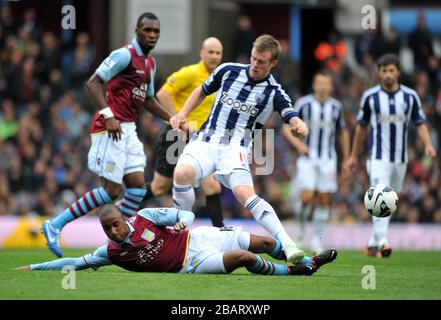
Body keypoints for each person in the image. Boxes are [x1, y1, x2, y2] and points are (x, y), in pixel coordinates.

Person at [41, 12, 183, 258]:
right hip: (110, 127)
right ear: (137, 30)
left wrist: (171, 118)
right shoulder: (124, 55)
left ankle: (122, 238)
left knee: (138, 187)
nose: (152, 35)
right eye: (147, 30)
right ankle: (54, 225)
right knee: (110, 191)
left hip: (128, 128)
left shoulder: (150, 63)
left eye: (156, 31)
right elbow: (93, 82)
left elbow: (148, 99)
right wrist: (108, 115)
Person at [169, 35, 309, 263]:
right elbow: (201, 91)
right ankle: (181, 230)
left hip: (236, 147)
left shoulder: (274, 91)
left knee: (245, 194)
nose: (255, 64)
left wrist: (298, 124)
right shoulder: (228, 70)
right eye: (253, 58)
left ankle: (288, 244)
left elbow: (289, 114)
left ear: (272, 63)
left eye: (261, 62)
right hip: (207, 139)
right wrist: (181, 114)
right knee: (181, 174)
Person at [17, 204, 338, 276]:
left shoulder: (144, 217)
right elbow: (74, 262)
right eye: (107, 230)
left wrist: (181, 223)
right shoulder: (111, 252)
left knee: (266, 243)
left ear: (121, 219)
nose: (113, 232)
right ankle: (300, 271)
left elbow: (183, 214)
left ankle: (306, 261)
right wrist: (33, 267)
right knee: (243, 258)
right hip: (192, 263)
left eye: (115, 225)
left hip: (198, 237)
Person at [346, 53, 437, 258]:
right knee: (380, 196)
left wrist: (428, 144)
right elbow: (361, 128)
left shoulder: (410, 96)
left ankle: (373, 241)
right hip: (377, 157)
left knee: (390, 201)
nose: (387, 74)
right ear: (379, 73)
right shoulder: (370, 97)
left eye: (391, 70)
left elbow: (420, 123)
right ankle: (383, 243)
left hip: (400, 159)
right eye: (384, 70)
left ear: (398, 72)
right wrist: (353, 156)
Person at [142, 37, 225, 227]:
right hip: (176, 136)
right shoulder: (190, 73)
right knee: (159, 187)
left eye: (217, 53)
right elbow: (162, 94)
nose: (214, 56)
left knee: (211, 186)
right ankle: (124, 210)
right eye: (210, 52)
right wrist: (179, 120)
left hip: (199, 139)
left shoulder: (219, 78)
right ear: (201, 53)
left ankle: (222, 232)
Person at [283, 70, 349, 252]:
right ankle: (301, 233)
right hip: (307, 159)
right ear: (314, 85)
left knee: (324, 199)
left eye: (326, 83)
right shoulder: (304, 104)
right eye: (319, 83)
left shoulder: (336, 107)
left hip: (328, 160)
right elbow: (285, 128)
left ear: (330, 86)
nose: (323, 87)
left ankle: (318, 240)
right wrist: (299, 146)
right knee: (306, 197)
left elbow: (342, 131)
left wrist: (346, 157)